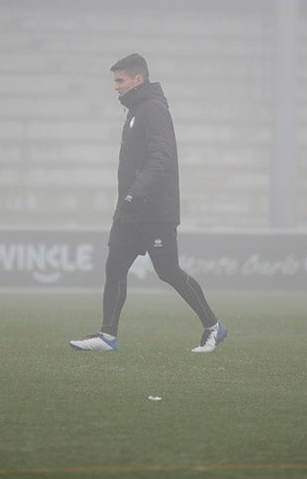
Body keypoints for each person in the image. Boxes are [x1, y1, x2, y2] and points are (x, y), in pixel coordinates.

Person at [70, 53, 228, 353]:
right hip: (130, 209)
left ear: (137, 79)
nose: (115, 86)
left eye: (120, 80)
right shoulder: (134, 111)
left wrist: (135, 193)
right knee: (114, 267)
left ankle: (213, 326)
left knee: (168, 272)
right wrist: (126, 201)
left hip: (154, 210)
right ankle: (107, 336)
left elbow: (161, 157)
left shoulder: (153, 110)